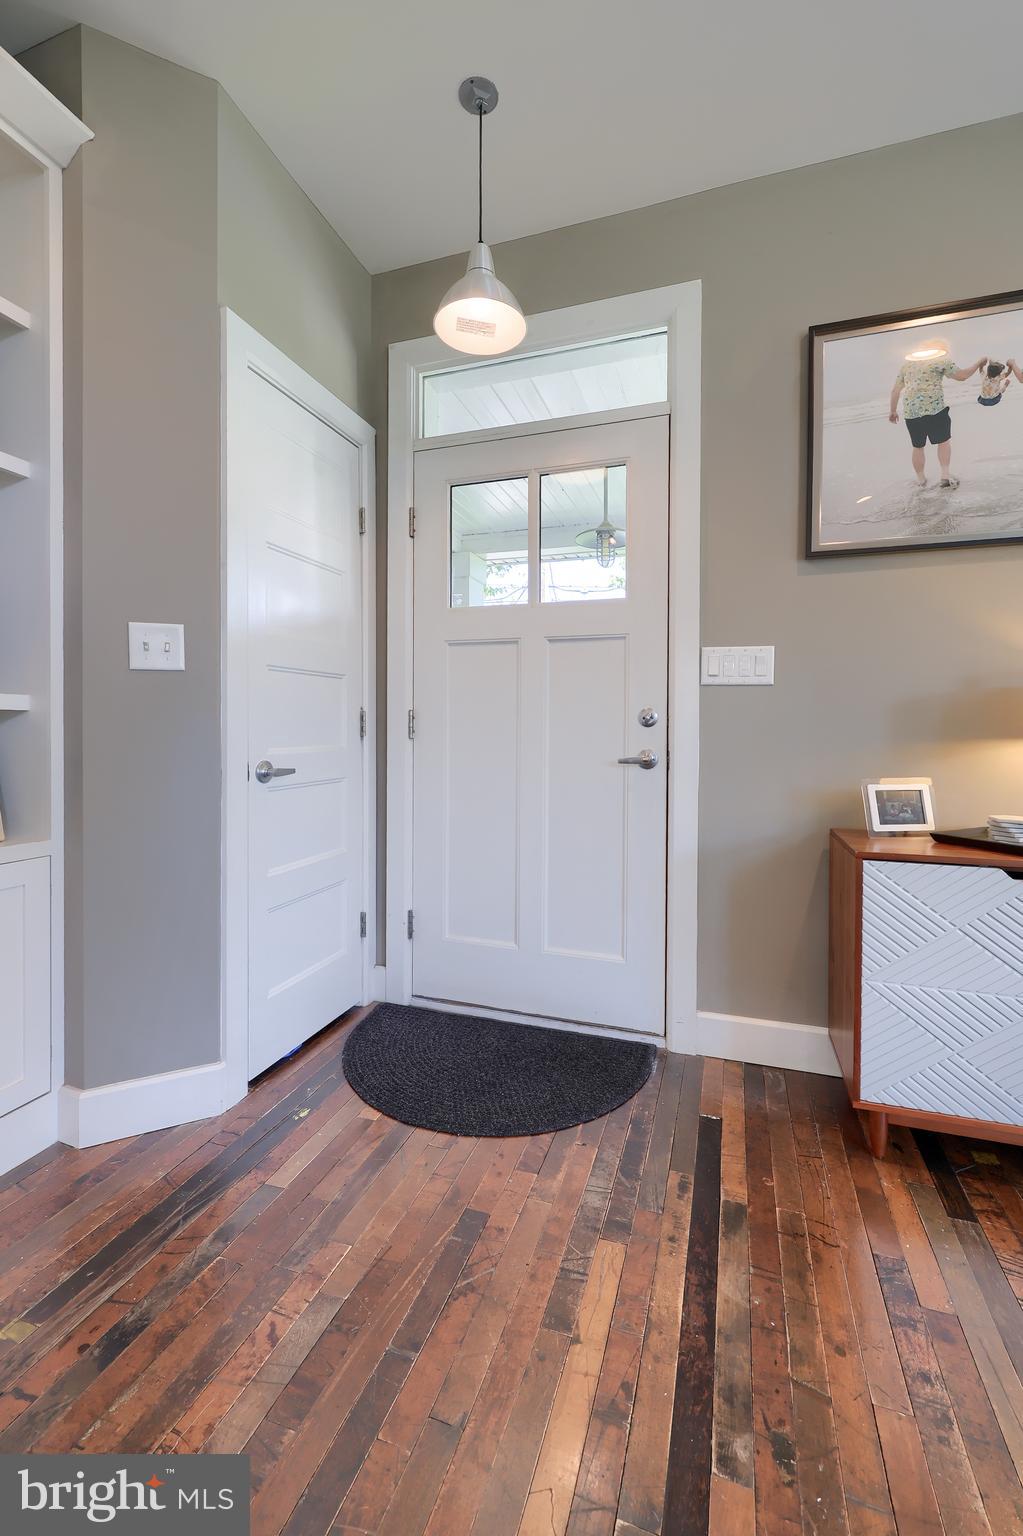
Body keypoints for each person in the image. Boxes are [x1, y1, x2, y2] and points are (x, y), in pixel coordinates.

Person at [888, 344, 988, 489]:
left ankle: (921, 481)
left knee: (917, 446)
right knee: (943, 442)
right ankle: (945, 477)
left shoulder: (906, 366)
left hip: (912, 413)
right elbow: (962, 376)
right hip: (935, 409)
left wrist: (893, 411)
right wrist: (979, 362)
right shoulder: (941, 361)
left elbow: (895, 390)